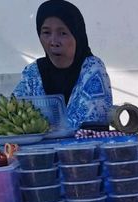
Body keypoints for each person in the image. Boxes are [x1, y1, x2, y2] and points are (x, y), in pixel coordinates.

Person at [13, 0, 113, 130]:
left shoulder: (93, 69)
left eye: (63, 33)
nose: (53, 42)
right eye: (46, 33)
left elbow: (90, 128)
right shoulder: (33, 72)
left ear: (77, 35)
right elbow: (12, 115)